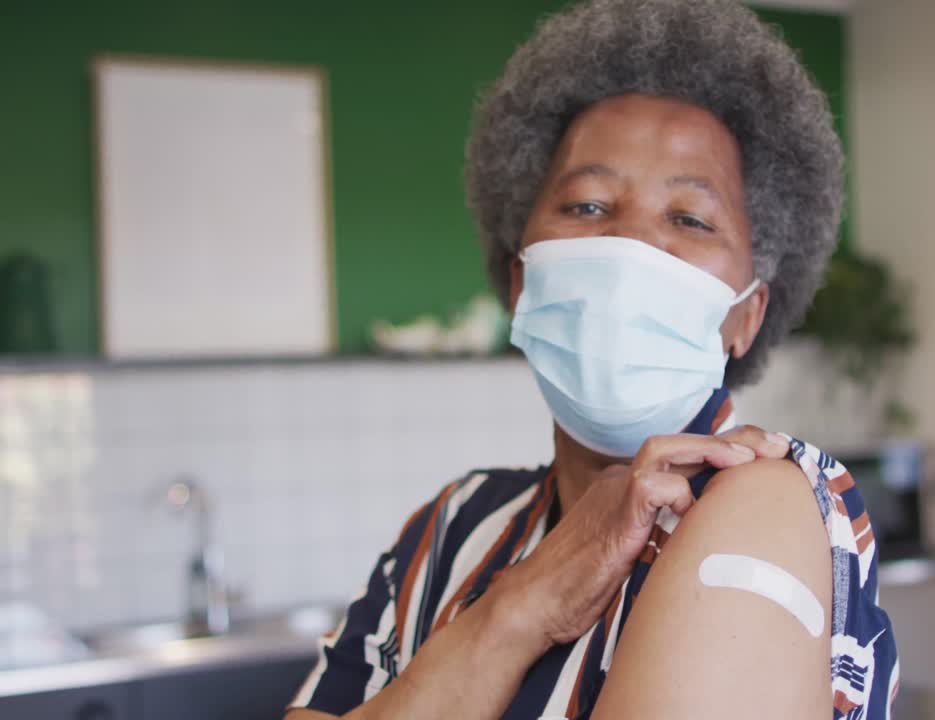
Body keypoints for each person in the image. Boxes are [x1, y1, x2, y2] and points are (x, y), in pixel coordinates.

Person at [286, 0, 898, 718]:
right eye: (586, 206)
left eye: (690, 219)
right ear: (521, 281)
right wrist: (521, 605)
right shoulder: (452, 525)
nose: (631, 246)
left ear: (746, 314)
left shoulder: (762, 503)